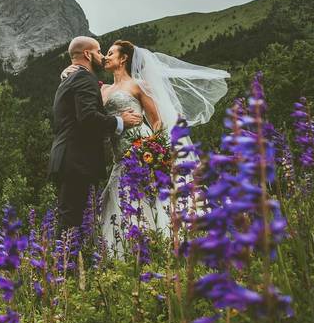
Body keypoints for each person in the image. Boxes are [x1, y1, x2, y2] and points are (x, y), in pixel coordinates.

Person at [62, 39, 230, 253]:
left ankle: (166, 245)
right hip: (119, 154)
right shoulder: (102, 90)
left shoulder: (138, 85)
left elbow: (157, 121)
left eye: (111, 53)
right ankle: (130, 250)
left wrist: (154, 148)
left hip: (142, 148)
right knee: (120, 198)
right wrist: (67, 72)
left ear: (123, 58)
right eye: (105, 52)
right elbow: (90, 112)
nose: (106, 56)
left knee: (148, 197)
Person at [49, 36, 143, 230]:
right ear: (87, 54)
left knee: (71, 219)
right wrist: (120, 121)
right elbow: (88, 117)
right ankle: (65, 260)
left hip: (69, 158)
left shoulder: (70, 80)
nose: (102, 57)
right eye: (99, 52)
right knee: (71, 222)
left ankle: (66, 259)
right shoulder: (84, 78)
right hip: (77, 161)